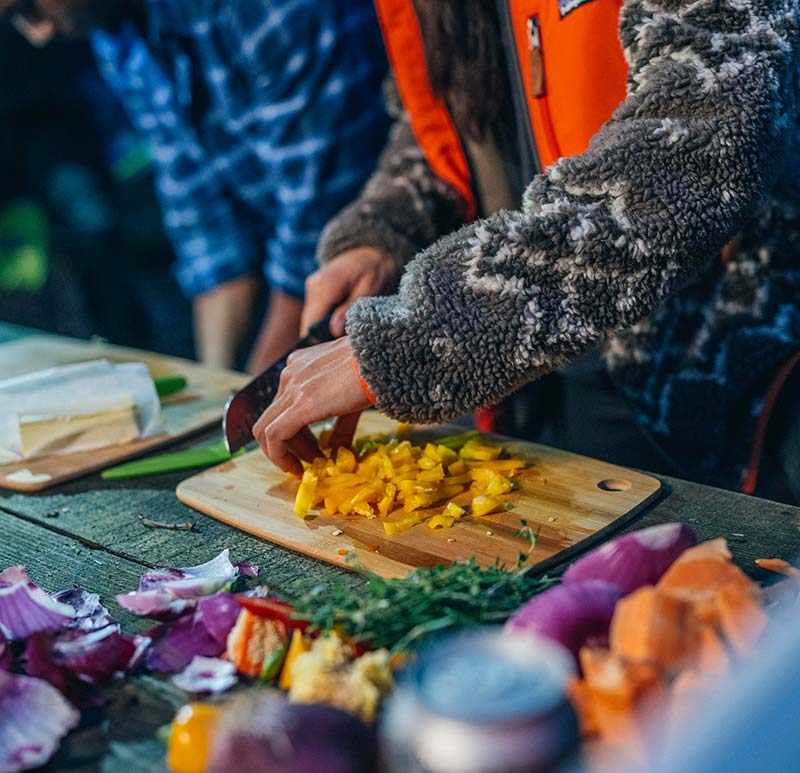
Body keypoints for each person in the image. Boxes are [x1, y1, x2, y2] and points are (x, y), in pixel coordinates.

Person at [253, 0, 800, 500]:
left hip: (742, 383)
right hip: (552, 383)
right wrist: (380, 231)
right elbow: (449, 123)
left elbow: (705, 138)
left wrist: (426, 336)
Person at [1, 0, 390, 371]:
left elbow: (319, 215)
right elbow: (205, 220)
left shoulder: (260, 9)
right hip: (306, 275)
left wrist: (258, 395)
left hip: (400, 271)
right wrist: (220, 388)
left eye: (29, 7)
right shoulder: (117, 37)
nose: (38, 34)